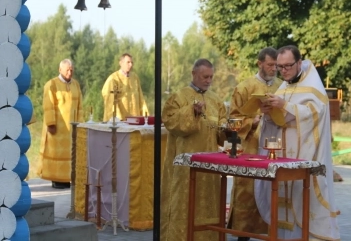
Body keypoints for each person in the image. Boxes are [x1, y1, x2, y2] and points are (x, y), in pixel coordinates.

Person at [255, 45, 340, 240]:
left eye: (288, 66)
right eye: (279, 67)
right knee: (283, 200)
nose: (283, 71)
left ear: (299, 63)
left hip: (305, 154)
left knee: (302, 198)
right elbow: (280, 120)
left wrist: (284, 105)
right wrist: (267, 113)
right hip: (283, 154)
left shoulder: (313, 88)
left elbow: (315, 114)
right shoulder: (283, 87)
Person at [160, 58, 227, 241]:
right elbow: (170, 121)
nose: (208, 80)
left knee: (209, 207)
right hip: (185, 167)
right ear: (194, 74)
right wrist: (193, 112)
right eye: (205, 76)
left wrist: (228, 130)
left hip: (210, 168)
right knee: (185, 205)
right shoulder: (179, 97)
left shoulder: (216, 100)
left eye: (211, 77)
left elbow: (221, 133)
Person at [227, 47, 282, 241]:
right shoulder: (245, 87)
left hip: (274, 147)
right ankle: (243, 235)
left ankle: (273, 234)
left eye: (276, 65)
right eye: (270, 65)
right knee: (247, 191)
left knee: (272, 191)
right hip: (250, 148)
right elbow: (232, 119)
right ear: (259, 64)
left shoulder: (281, 87)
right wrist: (253, 121)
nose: (274, 69)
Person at [37, 59, 83, 189]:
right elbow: (48, 105)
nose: (70, 72)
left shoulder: (76, 85)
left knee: (71, 153)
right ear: (60, 70)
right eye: (67, 69)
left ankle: (68, 178)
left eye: (71, 70)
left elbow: (80, 106)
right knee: (55, 154)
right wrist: (51, 123)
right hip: (57, 128)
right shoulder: (51, 84)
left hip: (72, 127)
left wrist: (81, 123)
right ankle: (56, 180)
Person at [101, 53, 148, 121]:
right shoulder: (113, 78)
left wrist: (145, 115)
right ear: (121, 63)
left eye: (132, 62)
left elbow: (141, 98)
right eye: (128, 62)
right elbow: (109, 98)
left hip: (135, 119)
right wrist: (118, 117)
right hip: (120, 119)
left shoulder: (135, 78)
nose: (131, 65)